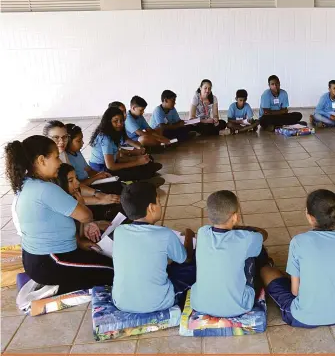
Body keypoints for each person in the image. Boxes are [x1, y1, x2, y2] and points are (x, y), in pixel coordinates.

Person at [6, 135, 114, 294]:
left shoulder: (28, 184)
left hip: (39, 259)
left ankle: (62, 282)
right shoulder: (45, 189)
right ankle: (57, 287)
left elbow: (55, 224)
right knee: (115, 271)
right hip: (52, 261)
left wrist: (79, 242)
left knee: (107, 263)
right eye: (56, 157)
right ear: (42, 160)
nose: (60, 162)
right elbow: (85, 215)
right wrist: (81, 203)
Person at [260, 190, 335, 328]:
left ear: (310, 216)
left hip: (303, 317)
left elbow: (295, 291)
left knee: (267, 271)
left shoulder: (298, 242)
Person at [112, 182, 196, 313]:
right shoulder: (164, 234)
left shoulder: (119, 231)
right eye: (158, 202)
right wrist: (189, 235)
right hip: (158, 302)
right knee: (194, 264)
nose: (160, 205)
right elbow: (186, 259)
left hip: (121, 302)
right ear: (151, 208)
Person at [191, 190, 270, 317]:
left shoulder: (202, 233)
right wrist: (242, 229)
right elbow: (261, 237)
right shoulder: (245, 238)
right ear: (234, 217)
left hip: (200, 304)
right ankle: (267, 270)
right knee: (253, 254)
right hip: (239, 305)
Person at [89, 106, 163, 183]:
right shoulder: (106, 138)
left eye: (121, 121)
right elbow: (111, 166)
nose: (119, 124)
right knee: (141, 171)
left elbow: (118, 158)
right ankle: (147, 171)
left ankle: (148, 169)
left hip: (112, 164)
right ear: (108, 122)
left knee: (147, 160)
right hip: (101, 168)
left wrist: (137, 158)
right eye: (115, 121)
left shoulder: (116, 133)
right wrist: (137, 162)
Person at [65, 123, 123, 195]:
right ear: (68, 141)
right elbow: (78, 185)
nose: (82, 143)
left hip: (89, 181)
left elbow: (88, 169)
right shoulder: (67, 159)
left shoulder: (77, 152)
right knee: (113, 189)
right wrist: (96, 177)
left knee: (115, 182)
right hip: (82, 188)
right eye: (79, 141)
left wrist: (101, 175)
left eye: (82, 139)